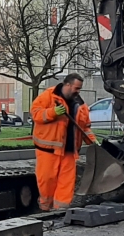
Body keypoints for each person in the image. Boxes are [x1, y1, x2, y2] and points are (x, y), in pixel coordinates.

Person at [31, 73, 96, 210]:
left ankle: (61, 210)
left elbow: (85, 127)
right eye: (76, 88)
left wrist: (94, 143)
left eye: (79, 89)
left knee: (66, 183)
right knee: (47, 180)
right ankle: (45, 207)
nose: (78, 92)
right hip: (48, 150)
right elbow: (35, 113)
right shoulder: (48, 96)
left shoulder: (80, 104)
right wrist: (52, 112)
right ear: (67, 84)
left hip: (70, 151)